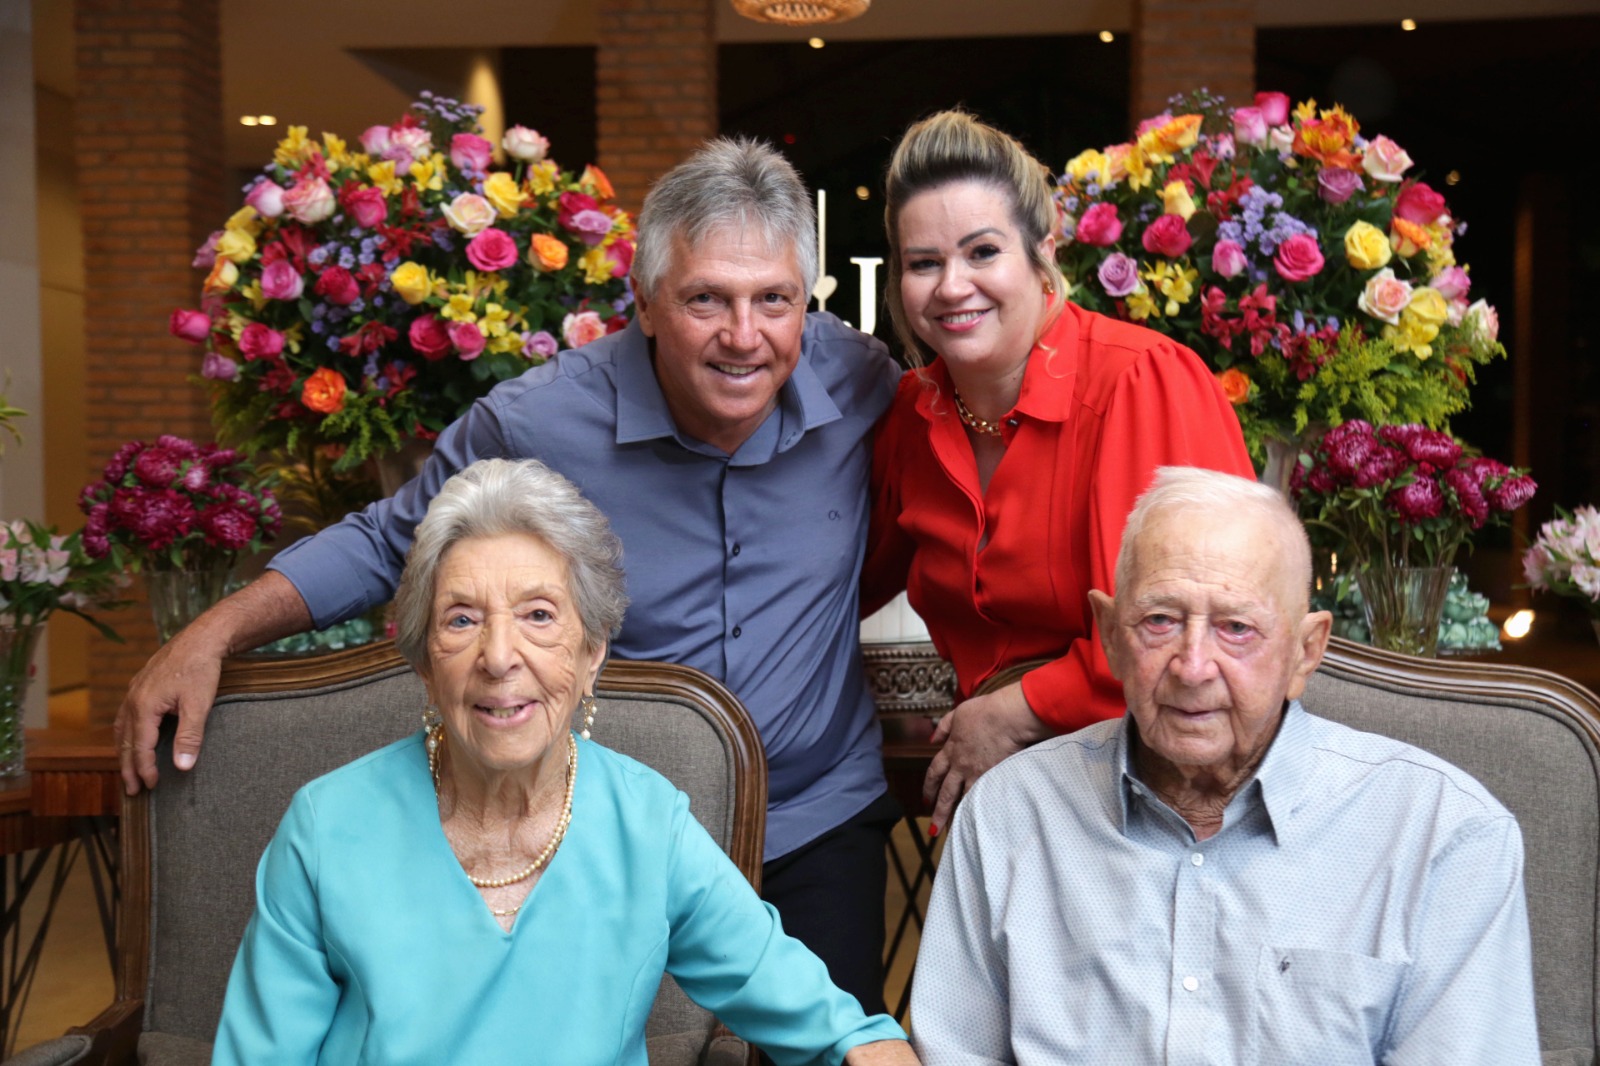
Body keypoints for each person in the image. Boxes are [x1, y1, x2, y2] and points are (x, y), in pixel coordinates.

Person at [118, 138, 903, 1015]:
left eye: (774, 301)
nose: (743, 336)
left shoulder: (866, 382)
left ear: (809, 303)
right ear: (643, 303)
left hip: (818, 815)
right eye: (705, 300)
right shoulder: (541, 418)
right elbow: (390, 542)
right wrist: (210, 633)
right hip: (608, 832)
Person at [212, 458, 917, 1066]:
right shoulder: (328, 827)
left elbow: (819, 1016)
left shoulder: (647, 825)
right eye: (461, 619)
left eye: (539, 615)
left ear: (592, 654)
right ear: (425, 663)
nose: (498, 656)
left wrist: (872, 1048)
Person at [909, 466, 1539, 1064]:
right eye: (1160, 620)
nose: (1192, 665)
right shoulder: (1010, 815)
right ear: (1109, 635)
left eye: (1236, 628)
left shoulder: (1442, 836)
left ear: (1304, 651)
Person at [863, 110, 1256, 833]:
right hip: (1002, 796)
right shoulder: (910, 417)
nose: (952, 286)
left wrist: (1014, 712)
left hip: (1162, 791)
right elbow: (840, 583)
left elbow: (1195, 632)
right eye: (924, 263)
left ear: (1042, 251)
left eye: (982, 252)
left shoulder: (1144, 382)